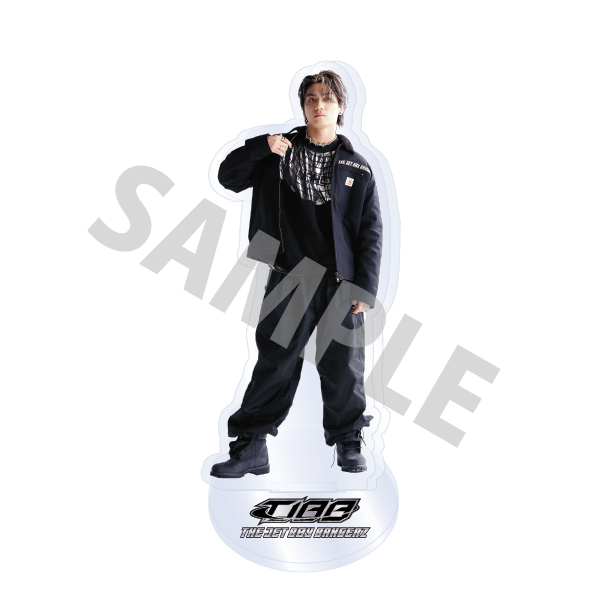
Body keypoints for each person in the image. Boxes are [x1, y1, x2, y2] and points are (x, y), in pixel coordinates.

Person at [210, 70, 383, 478]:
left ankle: (348, 441)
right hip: (292, 275)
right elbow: (228, 177)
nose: (319, 105)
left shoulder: (358, 168)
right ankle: (251, 447)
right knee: (275, 362)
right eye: (311, 98)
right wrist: (261, 147)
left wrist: (365, 287)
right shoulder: (278, 152)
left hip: (342, 282)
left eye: (327, 98)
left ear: (341, 107)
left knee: (343, 365)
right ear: (303, 106)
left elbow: (370, 231)